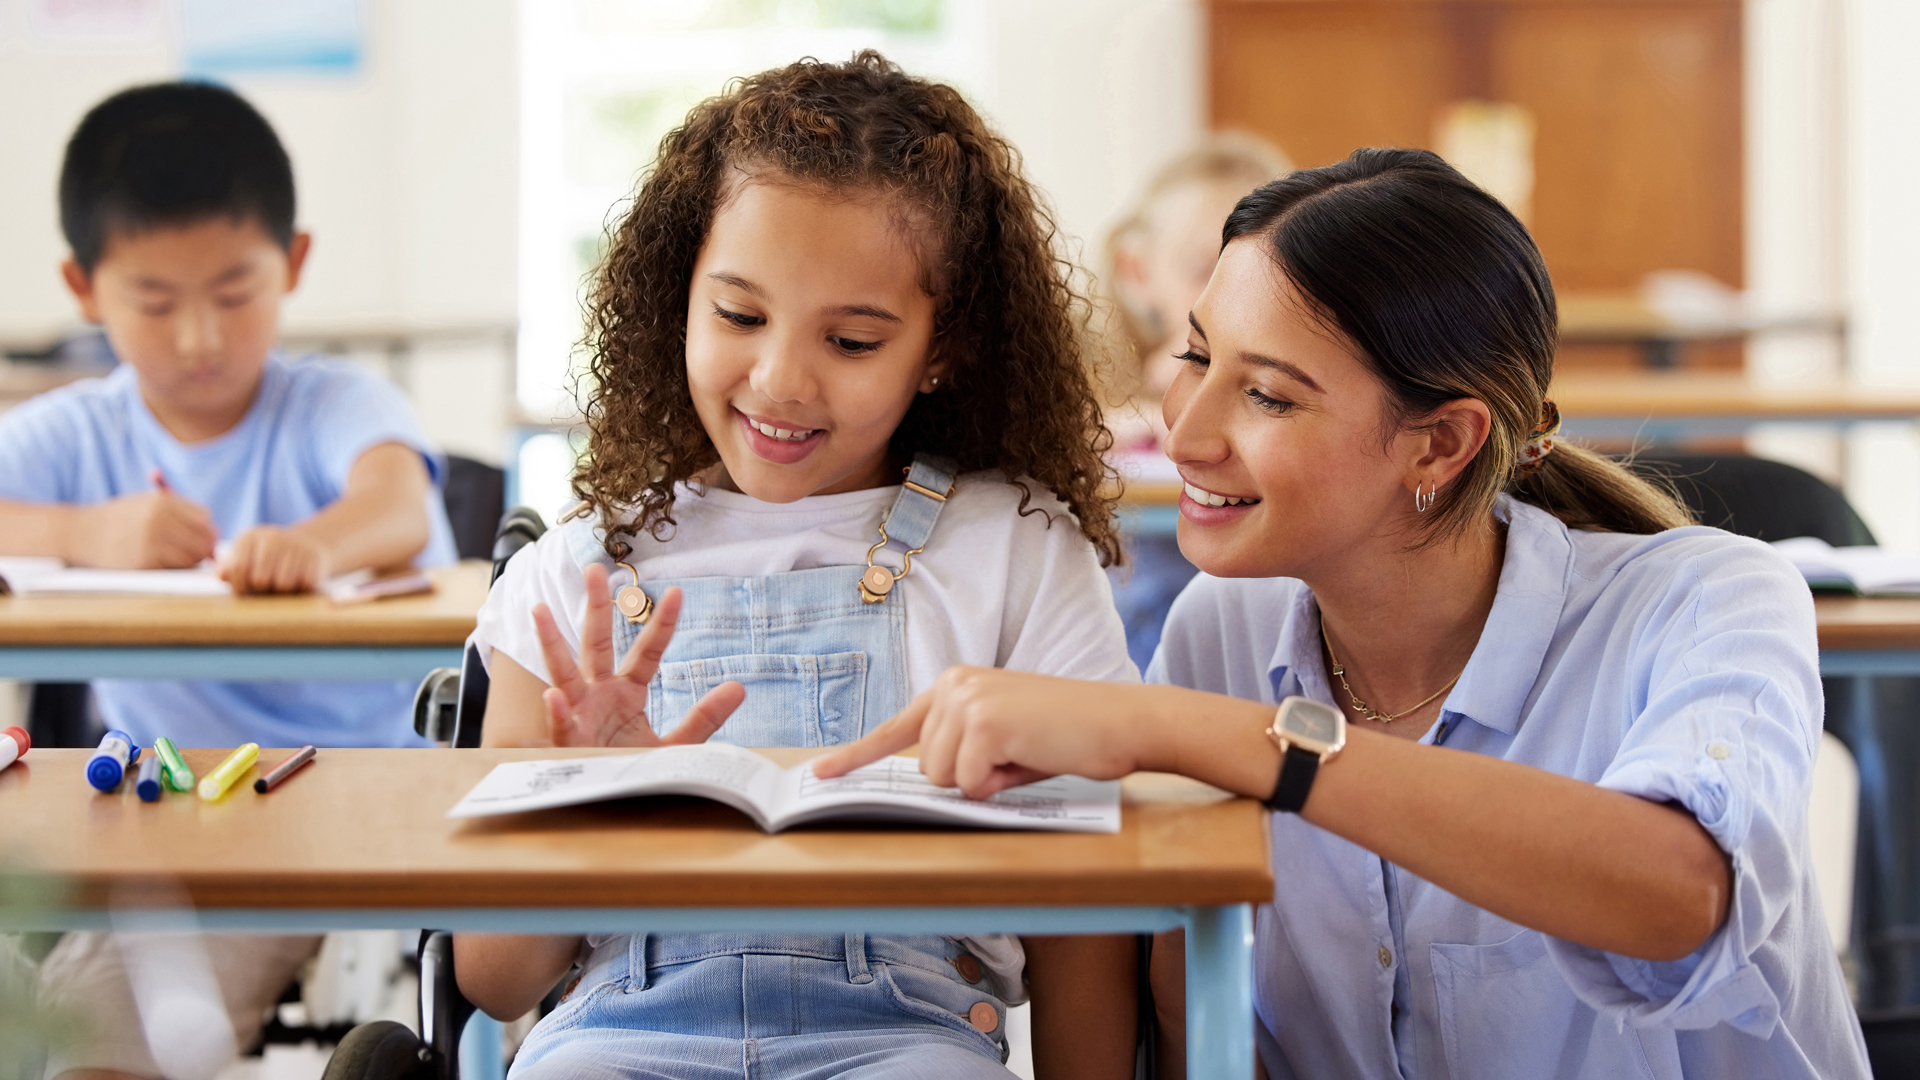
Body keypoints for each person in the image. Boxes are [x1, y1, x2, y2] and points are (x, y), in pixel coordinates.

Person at [818, 149, 1870, 1079]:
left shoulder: (1713, 598)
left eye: (1268, 395)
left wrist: (1191, 734)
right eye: (1196, 358)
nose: (1185, 436)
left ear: (1441, 444)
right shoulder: (1220, 634)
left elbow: (1677, 897)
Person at [456, 52, 1139, 1078]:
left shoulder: (1020, 553)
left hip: (908, 1039)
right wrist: (583, 803)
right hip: (619, 1041)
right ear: (674, 295)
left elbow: (1090, 914)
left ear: (941, 346)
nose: (779, 380)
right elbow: (495, 980)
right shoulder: (571, 580)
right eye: (738, 316)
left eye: (854, 340)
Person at [4, 82, 456, 1078]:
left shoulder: (334, 400)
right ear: (84, 289)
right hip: (170, 813)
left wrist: (317, 545)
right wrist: (86, 531)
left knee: (118, 1019)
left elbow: (397, 506)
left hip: (352, 800)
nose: (200, 336)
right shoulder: (76, 432)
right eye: (156, 303)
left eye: (235, 293)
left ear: (292, 265)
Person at [1102, 134, 1291, 670]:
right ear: (1139, 274)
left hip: (1253, 641)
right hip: (1133, 648)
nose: (1232, 295)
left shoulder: (1295, 384)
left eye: (1267, 273)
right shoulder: (1110, 380)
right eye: (1202, 268)